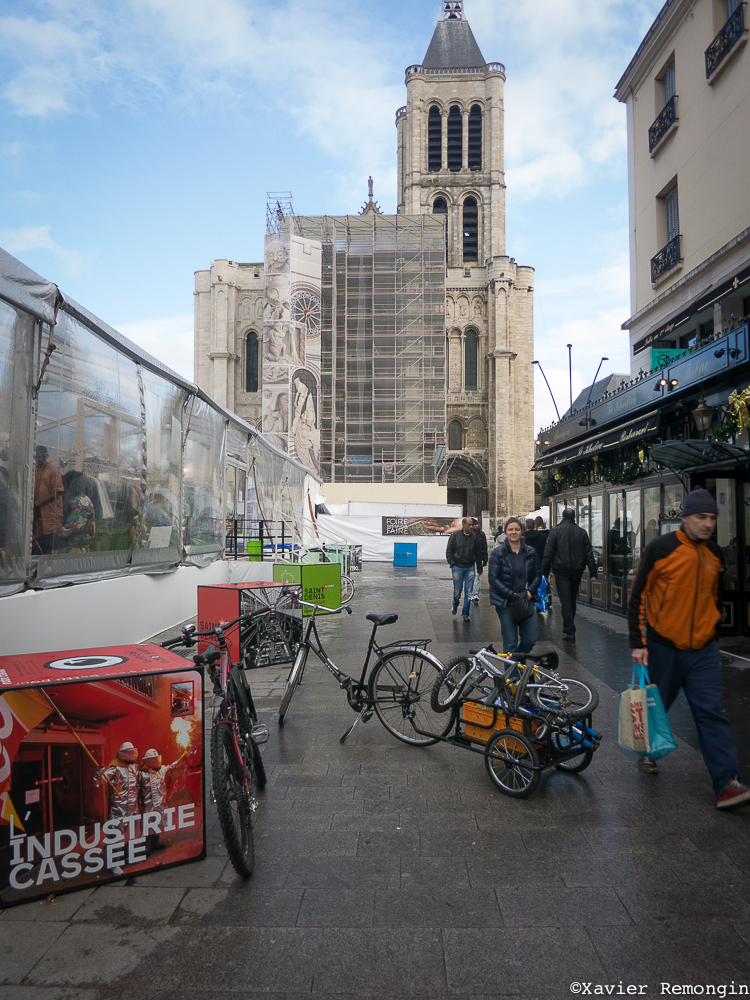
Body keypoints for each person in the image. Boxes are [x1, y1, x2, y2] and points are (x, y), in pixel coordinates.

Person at [628, 488, 750, 809]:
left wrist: (711, 630)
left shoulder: (715, 554)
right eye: (701, 517)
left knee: (711, 713)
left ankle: (727, 784)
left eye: (712, 518)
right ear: (685, 518)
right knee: (658, 706)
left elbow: (715, 596)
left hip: (703, 651)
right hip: (663, 646)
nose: (707, 523)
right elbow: (638, 596)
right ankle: (648, 752)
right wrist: (637, 643)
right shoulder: (660, 548)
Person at [488, 516, 542, 655]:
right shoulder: (498, 553)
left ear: (522, 531)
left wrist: (530, 591)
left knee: (530, 640)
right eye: (510, 529)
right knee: (510, 643)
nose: (514, 532)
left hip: (526, 599)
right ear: (505, 532)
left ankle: (518, 661)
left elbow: (537, 574)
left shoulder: (530, 552)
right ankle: (511, 677)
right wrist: (510, 594)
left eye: (517, 529)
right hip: (506, 602)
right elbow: (493, 578)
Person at [541, 508, 597, 642]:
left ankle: (569, 630)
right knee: (571, 598)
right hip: (577, 570)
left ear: (562, 516)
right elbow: (589, 553)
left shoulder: (556, 531)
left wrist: (544, 572)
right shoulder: (582, 532)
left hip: (561, 570)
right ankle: (569, 626)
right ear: (574, 517)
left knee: (565, 600)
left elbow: (548, 553)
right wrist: (593, 572)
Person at [138, 749, 184, 853]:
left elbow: (171, 766)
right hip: (147, 806)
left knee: (157, 823)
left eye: (156, 759)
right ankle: (144, 847)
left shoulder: (162, 769)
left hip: (159, 804)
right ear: (147, 761)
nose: (155, 761)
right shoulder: (142, 774)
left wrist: (181, 759)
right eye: (152, 760)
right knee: (146, 826)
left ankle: (155, 844)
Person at [446, 517, 481, 621]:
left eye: (472, 525)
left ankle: (465, 614)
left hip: (469, 566)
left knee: (469, 592)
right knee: (457, 591)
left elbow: (478, 553)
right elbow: (449, 551)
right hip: (457, 566)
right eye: (469, 525)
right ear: (463, 525)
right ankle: (455, 603)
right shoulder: (455, 536)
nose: (471, 527)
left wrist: (479, 568)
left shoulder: (474, 537)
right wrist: (452, 563)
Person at [32, 445, 64, 555]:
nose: (39, 458)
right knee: (36, 540)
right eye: (37, 456)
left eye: (42, 456)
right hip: (37, 513)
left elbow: (58, 491)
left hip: (49, 512)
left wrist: (40, 502)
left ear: (47, 456)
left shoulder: (54, 470)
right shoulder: (33, 470)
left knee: (48, 541)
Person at [470, 517, 488, 602]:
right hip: (469, 559)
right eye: (475, 524)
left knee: (477, 576)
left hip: (478, 558)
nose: (477, 525)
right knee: (470, 576)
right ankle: (471, 593)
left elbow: (485, 546)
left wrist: (485, 558)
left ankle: (475, 594)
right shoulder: (468, 534)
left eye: (477, 524)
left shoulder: (481, 534)